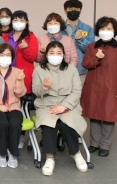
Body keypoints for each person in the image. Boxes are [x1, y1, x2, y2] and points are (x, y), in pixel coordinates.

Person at [32, 41, 88, 176]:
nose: (55, 55)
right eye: (52, 53)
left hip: (68, 105)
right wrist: (44, 87)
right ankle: (49, 158)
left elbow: (76, 91)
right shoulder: (39, 70)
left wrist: (63, 106)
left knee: (66, 123)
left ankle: (76, 153)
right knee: (49, 124)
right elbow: (36, 91)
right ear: (46, 54)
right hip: (46, 105)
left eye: (59, 53)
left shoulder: (72, 70)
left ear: (63, 55)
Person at [81, 17, 117, 157]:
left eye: (109, 28)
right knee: (94, 115)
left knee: (108, 116)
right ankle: (94, 143)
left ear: (114, 30)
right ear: (98, 31)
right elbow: (85, 64)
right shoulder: (92, 47)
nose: (105, 31)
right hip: (94, 87)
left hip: (111, 87)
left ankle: (105, 145)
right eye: (102, 29)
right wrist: (96, 58)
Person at [7, 10, 38, 149]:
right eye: (15, 20)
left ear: (26, 22)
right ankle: (8, 134)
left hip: (22, 76)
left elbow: (33, 57)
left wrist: (25, 48)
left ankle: (20, 136)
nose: (18, 22)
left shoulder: (31, 37)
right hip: (7, 75)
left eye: (21, 20)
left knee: (22, 108)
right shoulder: (6, 36)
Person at [61, 0, 95, 83]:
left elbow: (91, 49)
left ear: (80, 11)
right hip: (61, 69)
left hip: (80, 71)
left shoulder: (87, 29)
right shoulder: (59, 28)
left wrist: (80, 40)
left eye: (76, 9)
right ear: (65, 11)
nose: (73, 11)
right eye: (70, 9)